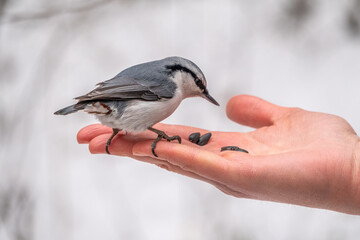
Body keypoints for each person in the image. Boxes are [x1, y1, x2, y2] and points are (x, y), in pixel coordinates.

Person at [76, 95, 360, 215]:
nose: (203, 93)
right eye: (198, 84)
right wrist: (348, 172)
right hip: (115, 105)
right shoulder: (166, 86)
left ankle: (115, 126)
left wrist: (349, 172)